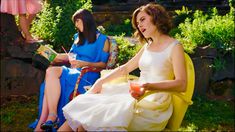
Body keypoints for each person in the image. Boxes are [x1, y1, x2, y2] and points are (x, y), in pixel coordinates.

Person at [58, 3, 187, 132]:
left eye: (142, 19)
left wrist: (148, 86)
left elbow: (181, 84)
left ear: (156, 17)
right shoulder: (148, 46)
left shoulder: (175, 47)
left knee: (91, 119)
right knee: (85, 113)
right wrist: (101, 81)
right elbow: (125, 68)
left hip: (154, 106)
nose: (139, 25)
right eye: (137, 23)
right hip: (136, 94)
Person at [29, 9, 110, 131]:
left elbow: (103, 65)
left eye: (77, 21)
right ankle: (49, 118)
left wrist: (84, 63)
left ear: (86, 20)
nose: (76, 25)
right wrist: (53, 56)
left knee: (51, 75)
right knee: (50, 72)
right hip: (73, 71)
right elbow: (71, 55)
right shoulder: (78, 37)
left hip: (87, 75)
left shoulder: (103, 40)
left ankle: (48, 119)